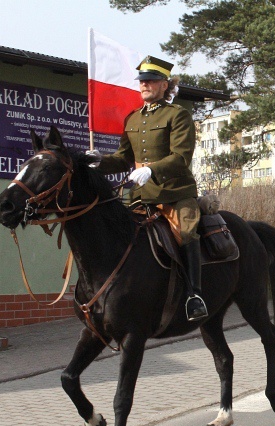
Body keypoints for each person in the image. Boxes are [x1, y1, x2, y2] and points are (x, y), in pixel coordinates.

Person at [89, 56, 208, 321]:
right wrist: (98, 161)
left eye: (151, 80)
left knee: (187, 233)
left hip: (175, 194)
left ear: (165, 85)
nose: (145, 85)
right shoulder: (132, 119)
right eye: (142, 81)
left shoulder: (178, 115)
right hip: (140, 197)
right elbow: (122, 158)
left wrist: (151, 169)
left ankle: (194, 295)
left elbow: (180, 157)